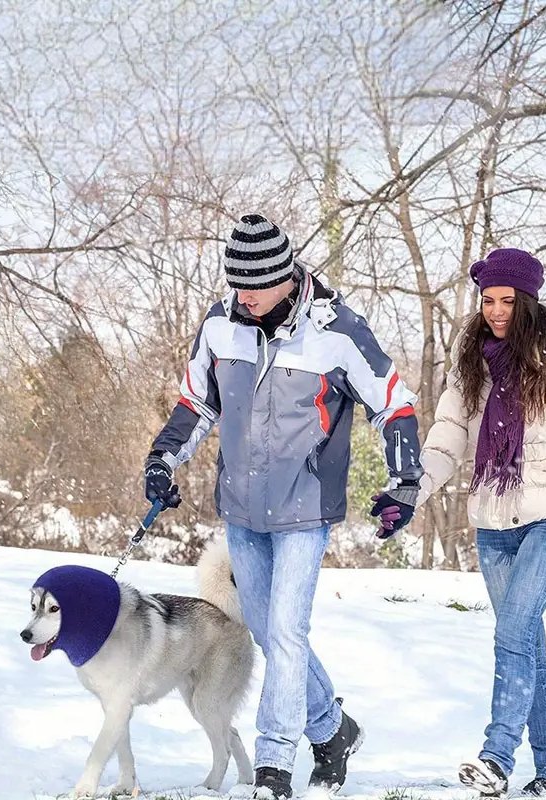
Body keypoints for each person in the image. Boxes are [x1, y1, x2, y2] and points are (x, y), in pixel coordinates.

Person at [143, 214, 423, 799]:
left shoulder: (337, 331)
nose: (244, 296)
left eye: (256, 284)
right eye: (236, 284)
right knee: (271, 634)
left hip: (305, 505)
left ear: (287, 277)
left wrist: (404, 480)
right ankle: (332, 729)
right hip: (242, 508)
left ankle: (274, 765)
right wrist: (163, 461)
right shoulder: (220, 325)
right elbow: (198, 402)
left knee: (288, 633)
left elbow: (393, 403)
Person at [415, 248, 546, 798]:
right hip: (493, 519)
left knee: (513, 633)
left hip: (545, 514)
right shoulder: (471, 362)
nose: (496, 311)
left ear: (529, 302)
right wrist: (412, 490)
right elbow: (448, 437)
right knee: (530, 648)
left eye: (507, 301)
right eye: (489, 300)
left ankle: (496, 757)